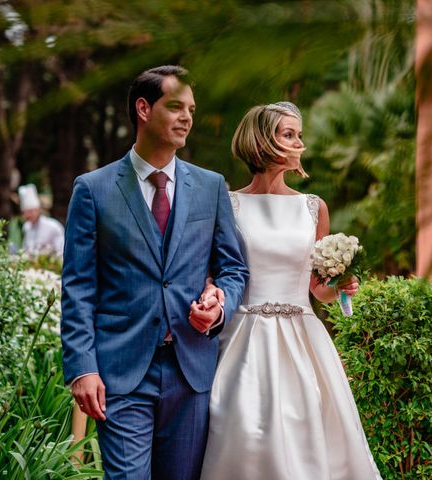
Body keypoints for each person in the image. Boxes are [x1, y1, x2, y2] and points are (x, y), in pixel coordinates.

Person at [60, 65, 249, 479]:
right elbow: (78, 286)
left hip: (191, 370)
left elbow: (233, 268)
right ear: (144, 109)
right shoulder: (93, 189)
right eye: (176, 107)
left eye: (192, 110)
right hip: (122, 372)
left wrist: (219, 308)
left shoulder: (211, 186)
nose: (187, 118)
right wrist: (82, 367)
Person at [200, 102, 382, 479]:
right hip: (243, 339)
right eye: (288, 134)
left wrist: (343, 286)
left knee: (308, 439)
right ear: (262, 140)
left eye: (299, 135)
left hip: (303, 340)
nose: (299, 142)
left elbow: (319, 290)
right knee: (245, 436)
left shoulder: (313, 208)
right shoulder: (228, 204)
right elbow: (217, 274)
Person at [18, 183, 65, 257]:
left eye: (31, 211)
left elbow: (62, 251)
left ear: (38, 209)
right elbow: (26, 250)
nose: (28, 215)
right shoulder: (26, 227)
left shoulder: (53, 226)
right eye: (25, 212)